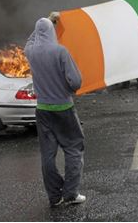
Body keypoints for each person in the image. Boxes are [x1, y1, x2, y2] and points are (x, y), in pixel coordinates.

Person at [25, 15, 85, 208]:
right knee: (74, 149)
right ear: (52, 31)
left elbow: (30, 40)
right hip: (64, 109)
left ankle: (54, 196)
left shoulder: (31, 52)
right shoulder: (60, 51)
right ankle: (70, 194)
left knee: (48, 155)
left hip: (42, 110)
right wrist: (71, 89)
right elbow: (75, 82)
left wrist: (45, 21)